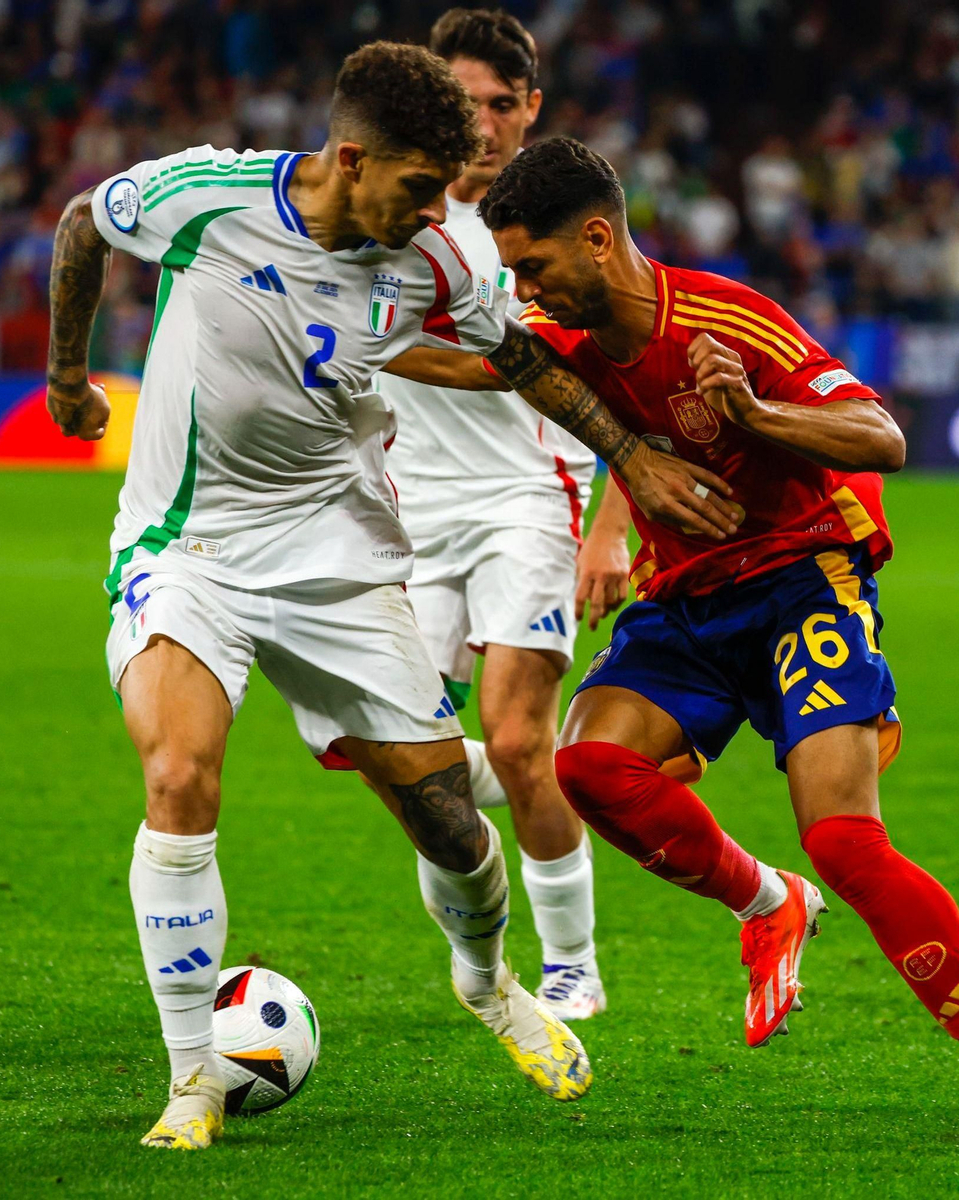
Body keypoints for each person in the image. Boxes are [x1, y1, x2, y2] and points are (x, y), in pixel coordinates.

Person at [45, 45, 737, 1151]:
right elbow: (84, 222)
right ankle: (191, 1080)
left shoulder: (431, 261)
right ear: (353, 157)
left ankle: (488, 982)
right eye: (419, 187)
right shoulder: (200, 197)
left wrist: (634, 461)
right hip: (191, 548)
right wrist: (68, 377)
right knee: (178, 771)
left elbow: (522, 361)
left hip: (342, 554)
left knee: (445, 822)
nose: (434, 213)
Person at [407, 135, 959, 1145]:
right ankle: (765, 903)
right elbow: (474, 360)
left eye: (534, 266)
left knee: (845, 838)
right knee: (587, 766)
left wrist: (755, 414)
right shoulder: (560, 336)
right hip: (683, 602)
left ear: (596, 239)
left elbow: (883, 438)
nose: (524, 287)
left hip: (803, 581)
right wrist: (325, 337)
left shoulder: (727, 320)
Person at [376, 8, 621, 1022]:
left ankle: (573, 962)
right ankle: (484, 941)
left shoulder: (552, 229)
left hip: (531, 496)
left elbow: (621, 379)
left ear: (529, 107)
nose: (474, 125)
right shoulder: (389, 211)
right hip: (405, 510)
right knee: (391, 758)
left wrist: (612, 530)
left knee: (517, 740)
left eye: (493, 104)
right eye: (457, 101)